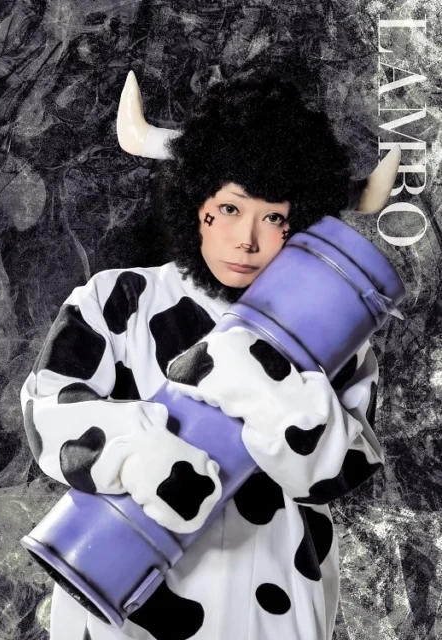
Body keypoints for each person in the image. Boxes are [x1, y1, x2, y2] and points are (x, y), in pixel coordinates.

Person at [20, 69, 400, 640]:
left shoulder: (338, 336)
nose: (247, 239)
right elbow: (48, 410)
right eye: (229, 209)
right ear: (196, 203)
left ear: (300, 225)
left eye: (274, 217)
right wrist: (134, 456)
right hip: (122, 596)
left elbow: (342, 470)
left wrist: (268, 391)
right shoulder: (119, 297)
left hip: (270, 603)